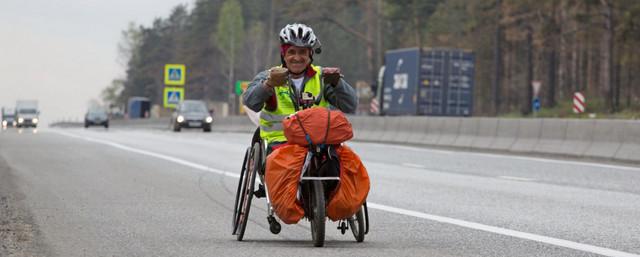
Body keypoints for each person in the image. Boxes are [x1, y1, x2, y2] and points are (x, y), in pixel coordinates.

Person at [243, 23, 357, 153]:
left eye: (302, 52)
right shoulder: (268, 76)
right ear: (283, 54)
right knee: (289, 165)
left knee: (348, 163)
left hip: (319, 143)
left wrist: (338, 84)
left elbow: (350, 106)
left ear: (310, 55)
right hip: (281, 143)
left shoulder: (323, 77)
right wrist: (268, 85)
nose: (297, 58)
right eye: (291, 52)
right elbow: (250, 102)